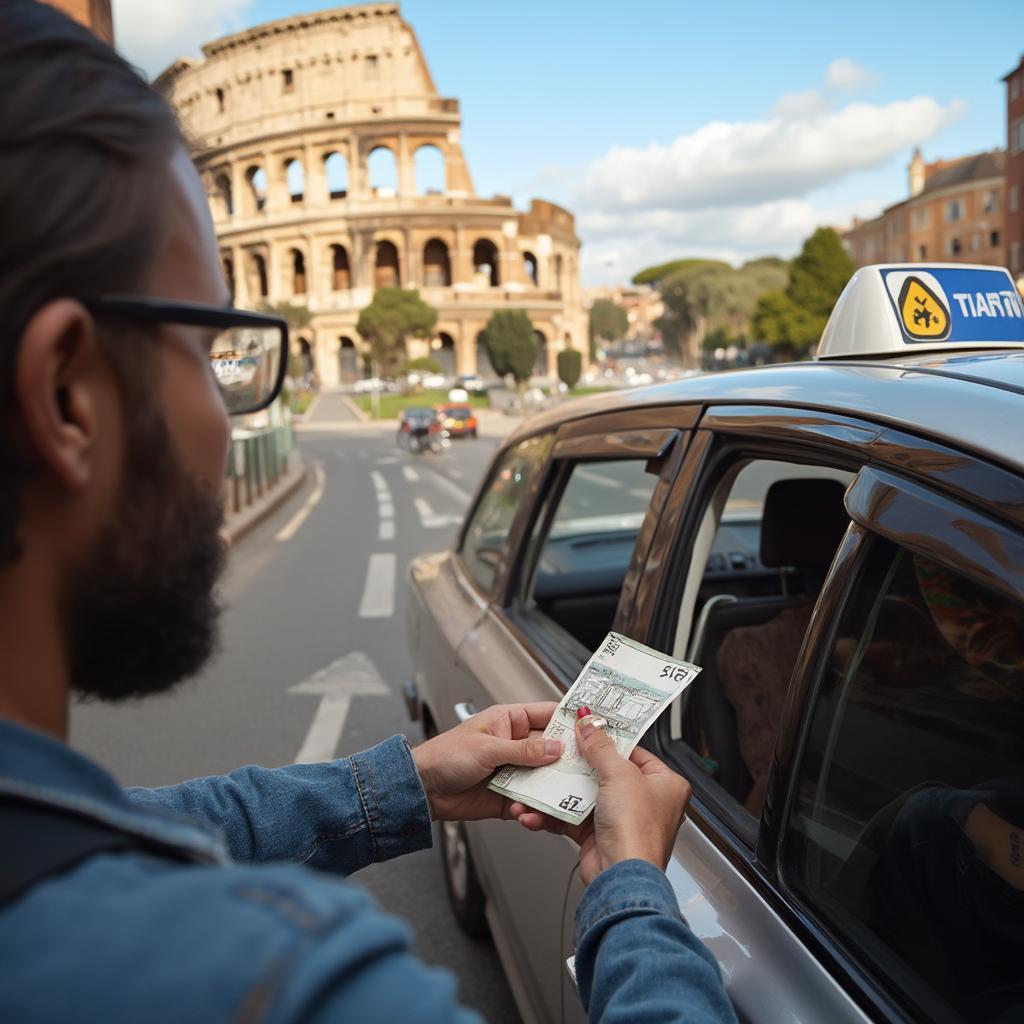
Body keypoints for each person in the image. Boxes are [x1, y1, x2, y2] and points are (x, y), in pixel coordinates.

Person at [0, 4, 736, 1022]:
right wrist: (631, 888)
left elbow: (122, 823)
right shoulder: (278, 986)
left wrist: (402, 783)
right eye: (217, 347)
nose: (229, 412)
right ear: (70, 396)